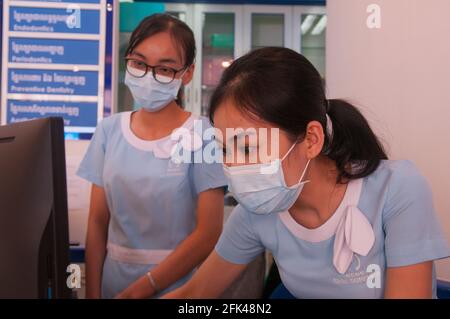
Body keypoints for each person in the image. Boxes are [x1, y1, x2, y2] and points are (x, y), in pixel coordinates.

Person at [163, 47, 450, 299]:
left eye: (248, 149)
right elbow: (195, 294)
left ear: (311, 139)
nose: (234, 168)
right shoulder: (256, 213)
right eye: (225, 150)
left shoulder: (397, 189)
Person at [76, 14, 227, 299]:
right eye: (139, 63)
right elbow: (97, 223)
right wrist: (93, 293)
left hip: (177, 288)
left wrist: (143, 288)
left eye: (165, 69)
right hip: (111, 282)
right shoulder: (109, 131)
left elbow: (209, 232)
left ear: (188, 73)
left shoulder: (203, 133)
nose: (149, 76)